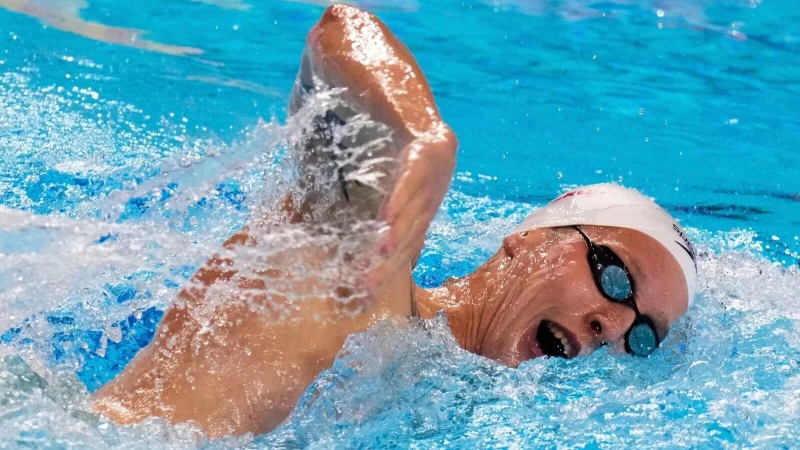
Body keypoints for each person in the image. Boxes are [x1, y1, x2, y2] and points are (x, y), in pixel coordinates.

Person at [92, 4, 697, 438]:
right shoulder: (361, 270)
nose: (612, 324)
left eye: (642, 335)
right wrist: (422, 138)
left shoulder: (437, 401)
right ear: (528, 241)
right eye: (616, 276)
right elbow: (339, 31)